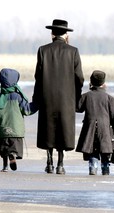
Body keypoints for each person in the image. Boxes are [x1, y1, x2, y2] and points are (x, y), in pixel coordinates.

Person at [32, 19, 84, 175]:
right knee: (63, 129)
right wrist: (76, 96)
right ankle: (60, 163)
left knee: (48, 129)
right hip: (66, 99)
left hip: (47, 97)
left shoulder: (43, 50)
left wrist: (37, 98)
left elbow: (38, 77)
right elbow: (79, 78)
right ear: (66, 34)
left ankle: (49, 162)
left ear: (52, 34)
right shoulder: (73, 51)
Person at [76, 70, 114, 175]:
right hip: (105, 129)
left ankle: (93, 168)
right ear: (104, 83)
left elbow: (77, 108)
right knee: (105, 150)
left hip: (89, 127)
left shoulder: (86, 96)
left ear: (91, 82)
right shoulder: (110, 98)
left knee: (92, 149)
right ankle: (105, 169)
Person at [0, 68, 38, 172]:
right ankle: (13, 155)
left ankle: (5, 167)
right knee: (13, 149)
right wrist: (37, 104)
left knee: (4, 149)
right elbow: (27, 110)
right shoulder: (18, 97)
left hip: (3, 130)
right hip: (17, 131)